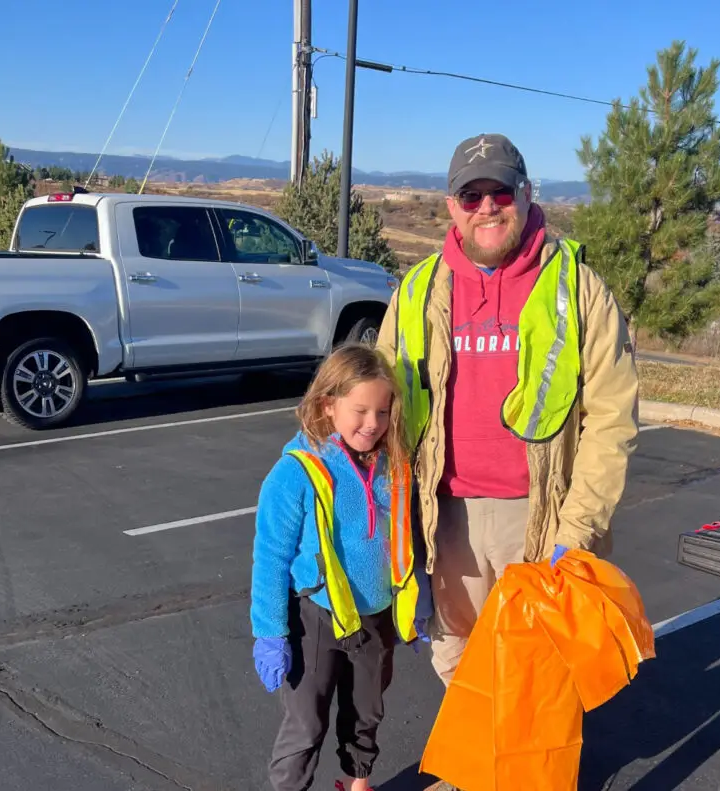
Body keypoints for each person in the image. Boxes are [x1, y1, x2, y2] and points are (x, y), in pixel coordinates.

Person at [376, 132, 640, 697]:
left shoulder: (579, 289)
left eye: (500, 190)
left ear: (525, 193)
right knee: (457, 660)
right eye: (471, 196)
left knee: (540, 667)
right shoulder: (419, 291)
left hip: (542, 516)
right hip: (447, 517)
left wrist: (578, 528)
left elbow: (612, 420)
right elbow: (377, 403)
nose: (486, 207)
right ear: (452, 206)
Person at [250, 344, 433, 791]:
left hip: (375, 618)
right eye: (361, 410)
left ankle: (357, 784)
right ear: (327, 404)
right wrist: (270, 632)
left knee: (367, 712)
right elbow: (271, 557)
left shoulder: (395, 466)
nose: (373, 424)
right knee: (306, 724)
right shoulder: (296, 472)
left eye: (384, 411)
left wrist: (419, 598)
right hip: (316, 619)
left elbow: (406, 540)